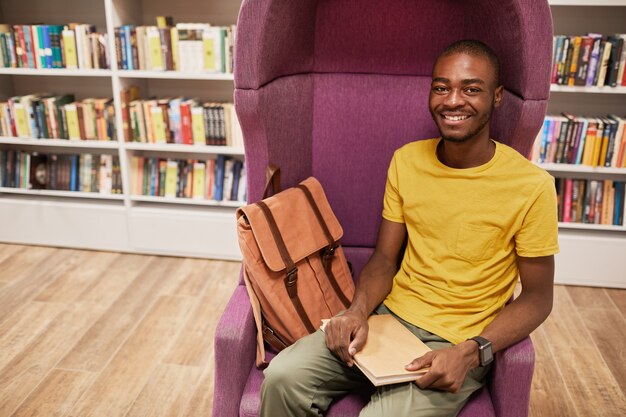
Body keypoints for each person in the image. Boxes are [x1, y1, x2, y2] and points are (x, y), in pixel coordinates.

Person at [260, 39, 559, 417]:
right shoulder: (407, 160)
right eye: (441, 87)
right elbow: (385, 260)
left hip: (456, 343)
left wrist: (471, 353)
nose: (453, 100)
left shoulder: (532, 186)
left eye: (471, 88)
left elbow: (537, 298)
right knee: (282, 377)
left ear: (497, 97)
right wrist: (356, 311)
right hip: (389, 322)